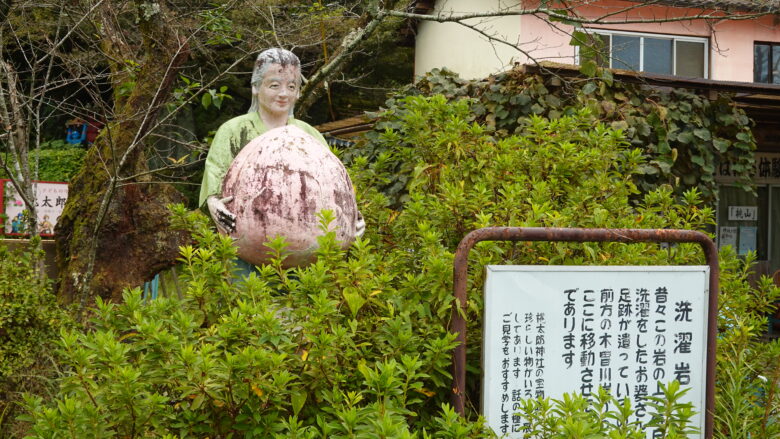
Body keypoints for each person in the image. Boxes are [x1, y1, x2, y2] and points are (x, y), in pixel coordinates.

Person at [199, 48, 364, 269]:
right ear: (256, 87)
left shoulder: (309, 134)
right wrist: (213, 202)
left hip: (307, 251)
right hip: (247, 247)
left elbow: (332, 185)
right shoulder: (234, 130)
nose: (283, 94)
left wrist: (351, 217)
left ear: (298, 92)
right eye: (274, 85)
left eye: (292, 86)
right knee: (250, 299)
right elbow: (215, 173)